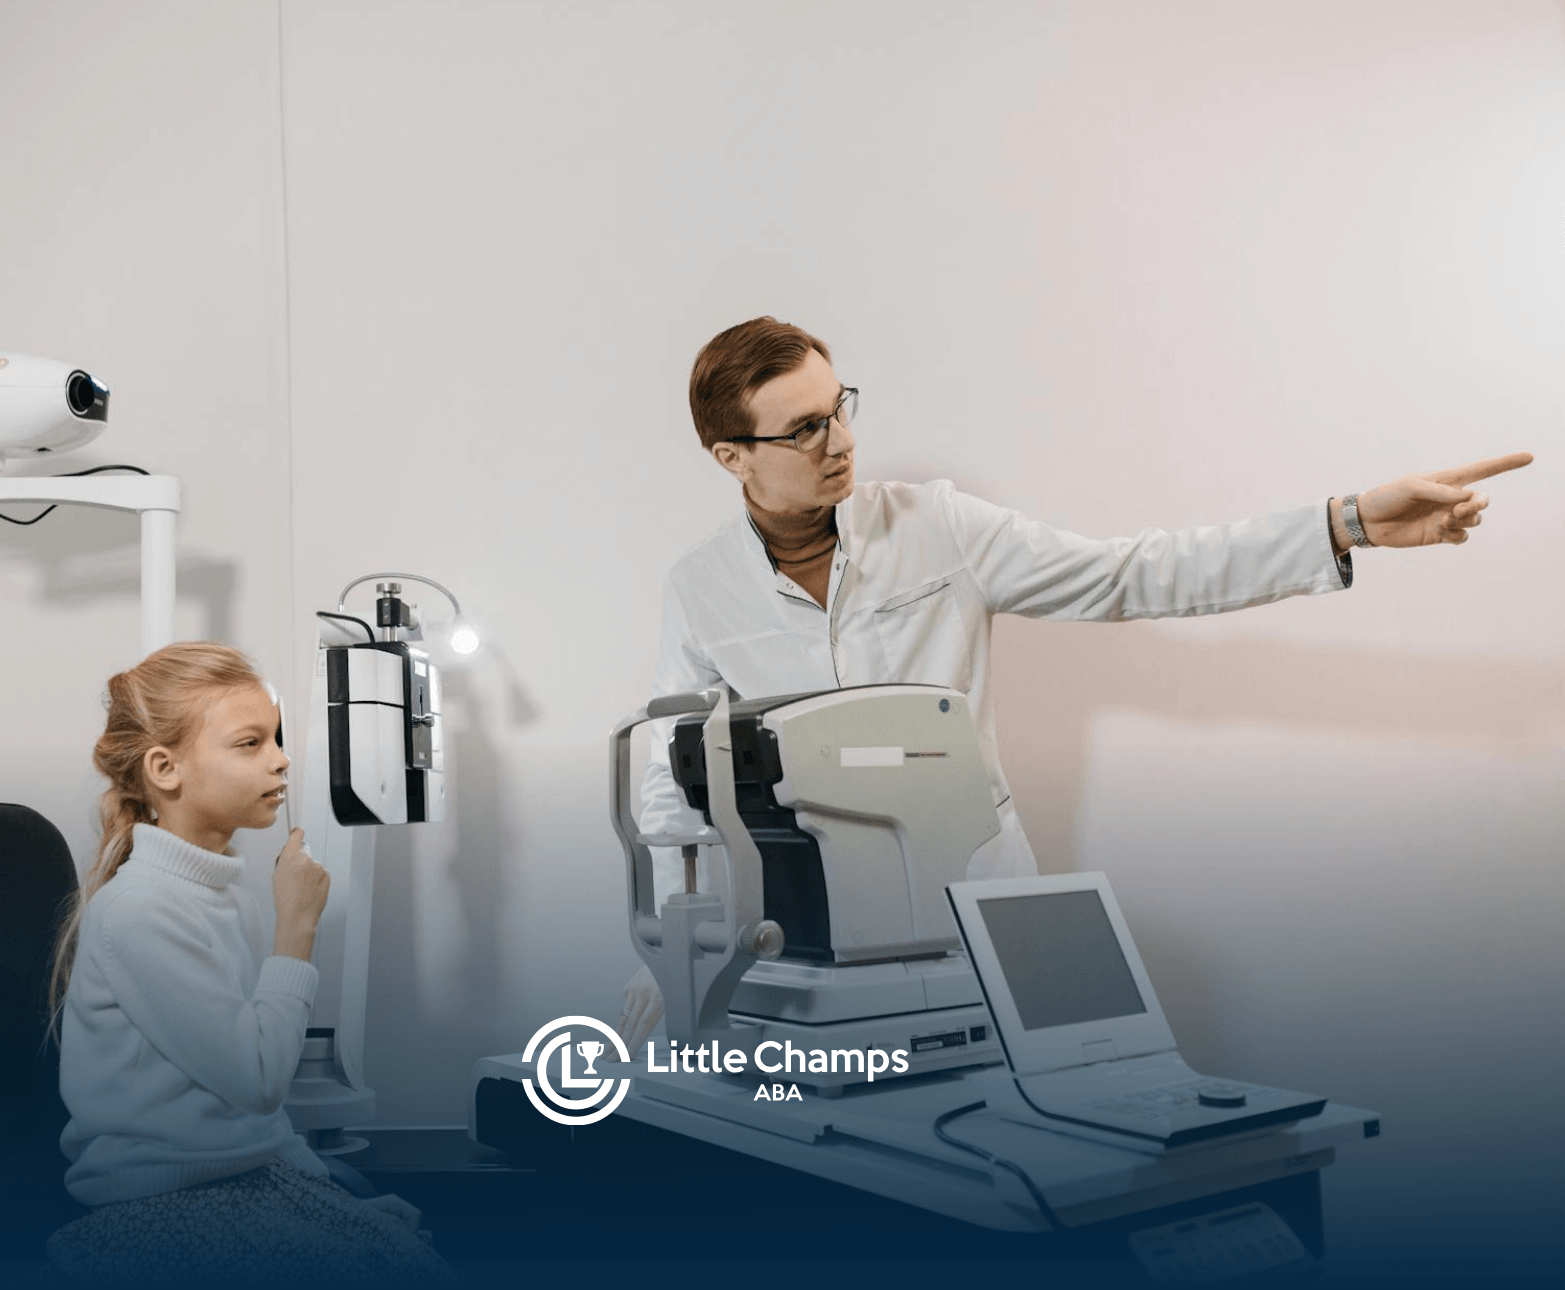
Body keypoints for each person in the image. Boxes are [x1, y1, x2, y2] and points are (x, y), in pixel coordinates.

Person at [612, 315, 1533, 1054]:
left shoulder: (937, 524)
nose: (840, 440)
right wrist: (678, 938)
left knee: (1040, 1133)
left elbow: (1136, 572)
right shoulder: (699, 590)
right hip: (808, 930)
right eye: (805, 427)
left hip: (981, 905)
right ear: (732, 455)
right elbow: (671, 776)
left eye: (841, 406)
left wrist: (1346, 523)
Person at [42, 642, 457, 1287]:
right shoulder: (141, 912)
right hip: (163, 1209)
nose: (282, 759)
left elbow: (253, 1119)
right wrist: (298, 927)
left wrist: (342, 1201)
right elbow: (257, 1078)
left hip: (245, 1179)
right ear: (165, 768)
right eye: (250, 744)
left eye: (278, 739)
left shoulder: (225, 890)